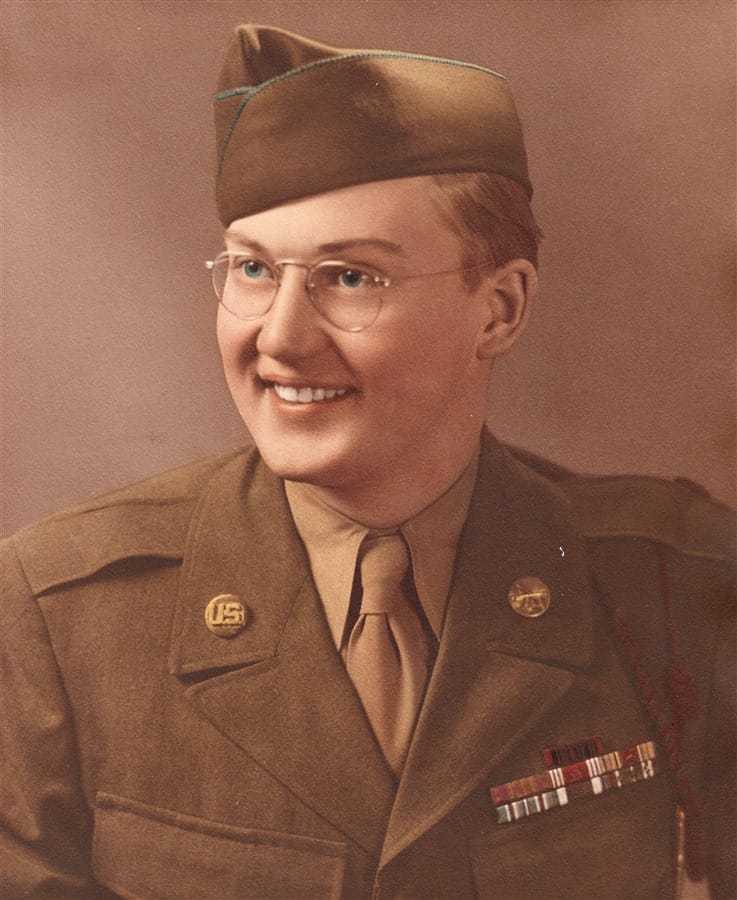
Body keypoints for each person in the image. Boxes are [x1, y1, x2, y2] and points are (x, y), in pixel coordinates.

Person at [0, 23, 733, 900]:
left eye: (350, 277)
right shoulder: (66, 616)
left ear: (498, 309)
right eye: (251, 269)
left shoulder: (671, 586)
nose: (278, 337)